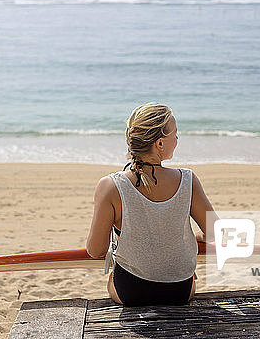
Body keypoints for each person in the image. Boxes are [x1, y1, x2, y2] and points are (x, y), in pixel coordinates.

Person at [86, 102, 219, 306]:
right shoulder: (188, 181)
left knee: (112, 279)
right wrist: (197, 237)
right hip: (180, 292)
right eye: (175, 134)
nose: (177, 139)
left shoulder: (110, 186)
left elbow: (96, 250)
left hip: (130, 291)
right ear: (159, 143)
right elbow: (216, 232)